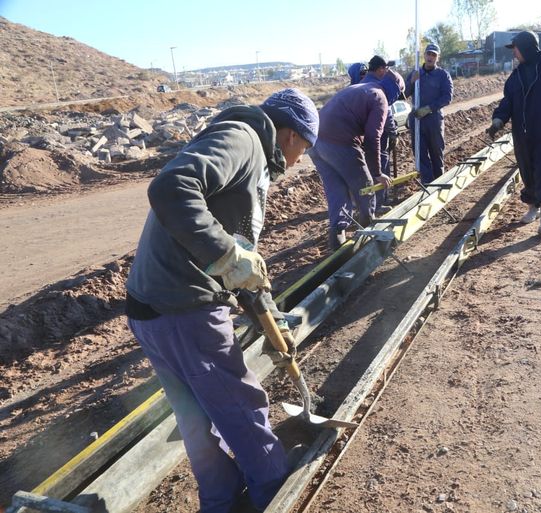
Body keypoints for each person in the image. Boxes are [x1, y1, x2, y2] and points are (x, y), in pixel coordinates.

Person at [125, 88, 319, 513]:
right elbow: (171, 187)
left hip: (152, 309)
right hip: (185, 307)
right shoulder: (243, 140)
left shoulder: (248, 150)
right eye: (305, 148)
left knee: (194, 417)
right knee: (240, 407)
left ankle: (220, 501)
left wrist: (269, 317)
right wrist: (226, 254)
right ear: (290, 134)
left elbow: (238, 258)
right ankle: (274, 494)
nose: (299, 160)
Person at [487, 30, 541, 236]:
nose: (514, 53)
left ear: (526, 47)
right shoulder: (516, 75)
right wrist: (498, 120)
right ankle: (533, 207)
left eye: (515, 49)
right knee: (527, 171)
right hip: (522, 133)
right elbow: (508, 102)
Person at [308, 69, 405, 250]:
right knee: (366, 187)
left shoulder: (363, 88)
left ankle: (337, 238)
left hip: (315, 143)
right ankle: (368, 235)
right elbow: (373, 137)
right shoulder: (380, 98)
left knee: (337, 190)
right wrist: (377, 173)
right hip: (340, 142)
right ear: (395, 90)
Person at [405, 43, 453, 184]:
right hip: (417, 120)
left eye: (434, 55)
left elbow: (447, 97)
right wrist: (412, 82)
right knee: (420, 154)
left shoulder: (443, 75)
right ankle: (427, 184)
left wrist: (428, 109)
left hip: (434, 120)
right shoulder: (415, 73)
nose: (430, 57)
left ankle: (439, 183)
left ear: (438, 57)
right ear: (424, 55)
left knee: (436, 152)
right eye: (428, 54)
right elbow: (404, 94)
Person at [361, 55, 399, 210]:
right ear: (380, 69)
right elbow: (387, 113)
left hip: (362, 133)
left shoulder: (361, 83)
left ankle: (370, 205)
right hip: (378, 133)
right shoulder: (378, 86)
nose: (387, 71)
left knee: (368, 167)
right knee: (380, 167)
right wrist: (393, 132)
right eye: (386, 68)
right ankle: (379, 203)